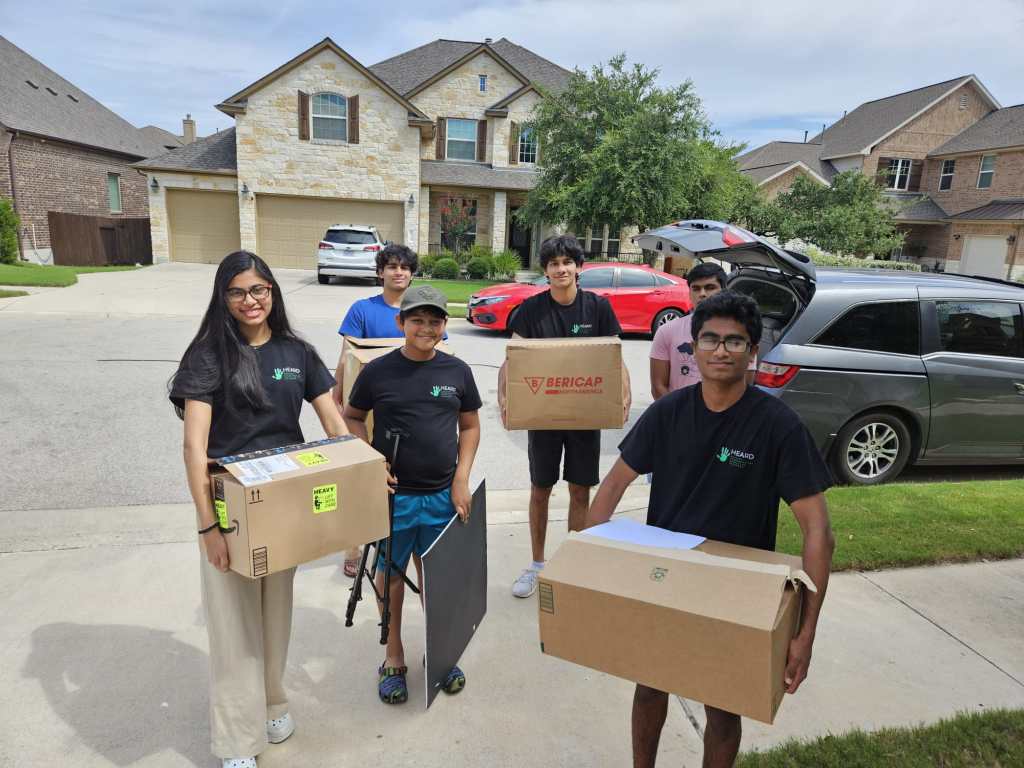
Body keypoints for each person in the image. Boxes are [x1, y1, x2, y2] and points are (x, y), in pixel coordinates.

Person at [586, 291, 835, 768]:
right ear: (694, 348)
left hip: (735, 592)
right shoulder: (668, 413)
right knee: (649, 687)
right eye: (710, 339)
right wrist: (592, 571)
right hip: (662, 580)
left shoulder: (778, 426)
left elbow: (819, 532)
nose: (721, 350)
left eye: (735, 341)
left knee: (722, 708)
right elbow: (611, 488)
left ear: (753, 352)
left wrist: (805, 632)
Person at [170, 251, 348, 768]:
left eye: (259, 289)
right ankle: (236, 740)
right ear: (223, 297)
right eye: (238, 292)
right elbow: (194, 447)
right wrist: (208, 526)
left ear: (273, 291)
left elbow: (334, 424)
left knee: (275, 613)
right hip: (228, 504)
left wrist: (360, 468)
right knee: (234, 626)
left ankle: (272, 704)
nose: (250, 301)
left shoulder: (297, 352)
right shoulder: (209, 355)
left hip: (283, 498)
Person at [343, 284, 482, 705]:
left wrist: (461, 478)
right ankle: (394, 656)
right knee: (390, 576)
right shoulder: (378, 372)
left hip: (442, 496)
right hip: (395, 498)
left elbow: (470, 426)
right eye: (417, 320)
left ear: (444, 325)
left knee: (438, 579)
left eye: (434, 320)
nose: (426, 328)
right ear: (400, 322)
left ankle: (442, 653)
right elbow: (352, 417)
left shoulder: (457, 371)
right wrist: (371, 460)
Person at [497, 234, 631, 599]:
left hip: (584, 415)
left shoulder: (597, 308)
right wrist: (505, 396)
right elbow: (513, 357)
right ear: (546, 271)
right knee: (540, 490)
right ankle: (537, 564)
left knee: (579, 490)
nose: (561, 269)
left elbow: (614, 357)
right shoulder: (531, 310)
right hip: (544, 417)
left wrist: (624, 393)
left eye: (567, 262)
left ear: (578, 267)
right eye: (554, 264)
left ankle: (573, 565)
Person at [332, 244, 418, 578]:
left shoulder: (419, 309)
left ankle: (392, 537)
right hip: (366, 405)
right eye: (392, 266)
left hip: (407, 407)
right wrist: (338, 394)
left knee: (397, 477)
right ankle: (353, 546)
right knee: (362, 473)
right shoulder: (363, 310)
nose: (399, 272)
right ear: (380, 272)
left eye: (405, 267)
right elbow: (347, 356)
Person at [649, 262, 756, 400]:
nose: (702, 294)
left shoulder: (741, 333)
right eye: (696, 288)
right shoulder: (667, 331)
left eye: (710, 287)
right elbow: (658, 386)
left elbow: (745, 386)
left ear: (724, 290)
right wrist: (678, 412)